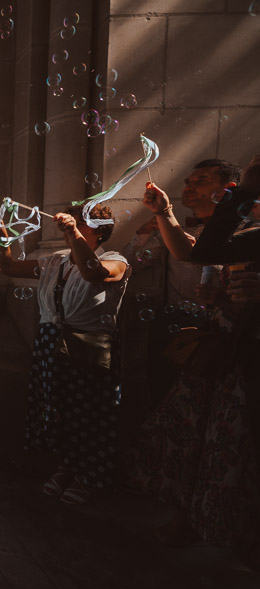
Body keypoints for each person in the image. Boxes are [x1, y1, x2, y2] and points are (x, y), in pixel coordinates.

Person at [129, 154, 260, 562]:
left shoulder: (244, 222)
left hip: (242, 356)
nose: (191, 186)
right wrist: (166, 214)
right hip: (223, 352)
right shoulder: (244, 228)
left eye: (202, 180)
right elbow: (200, 253)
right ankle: (201, 520)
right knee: (207, 442)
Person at [0, 203, 130, 504]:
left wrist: (74, 233)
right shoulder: (55, 261)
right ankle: (65, 467)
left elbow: (94, 274)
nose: (72, 225)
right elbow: (8, 267)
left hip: (88, 345)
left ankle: (88, 476)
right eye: (73, 220)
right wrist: (2, 238)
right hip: (50, 341)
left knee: (89, 412)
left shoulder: (116, 260)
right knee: (58, 411)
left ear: (99, 229)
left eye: (81, 221)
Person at [123, 159, 241, 401]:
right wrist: (146, 232)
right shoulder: (169, 229)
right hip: (173, 326)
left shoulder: (244, 232)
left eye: (201, 181)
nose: (189, 186)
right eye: (188, 182)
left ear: (227, 189)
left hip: (225, 330)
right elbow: (131, 264)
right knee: (163, 395)